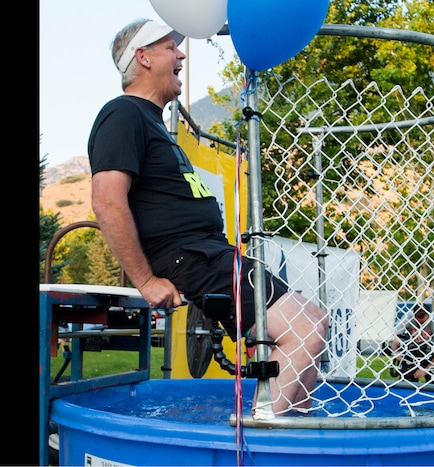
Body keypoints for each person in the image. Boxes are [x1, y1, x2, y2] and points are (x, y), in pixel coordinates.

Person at [87, 18, 328, 415]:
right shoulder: (122, 114)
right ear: (142, 58)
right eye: (169, 48)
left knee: (313, 321)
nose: (180, 54)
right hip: (190, 257)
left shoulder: (153, 123)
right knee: (303, 329)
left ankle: (291, 439)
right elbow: (107, 201)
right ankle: (263, 439)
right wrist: (146, 280)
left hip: (209, 252)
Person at [389, 302, 434, 384]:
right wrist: (396, 353)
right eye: (418, 322)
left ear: (428, 315)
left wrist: (426, 369)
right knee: (407, 383)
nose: (421, 325)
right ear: (414, 316)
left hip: (428, 353)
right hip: (411, 353)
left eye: (424, 322)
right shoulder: (408, 317)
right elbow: (396, 340)